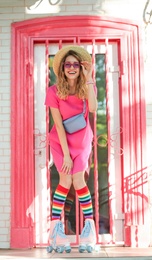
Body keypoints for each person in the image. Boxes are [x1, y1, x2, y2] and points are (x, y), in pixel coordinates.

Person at [45, 45, 98, 253]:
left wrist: (90, 77)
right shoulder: (53, 91)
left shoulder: (86, 88)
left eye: (76, 64)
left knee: (79, 180)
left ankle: (90, 230)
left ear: (81, 67)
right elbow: (58, 125)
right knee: (65, 181)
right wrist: (66, 155)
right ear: (62, 69)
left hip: (82, 140)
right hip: (60, 142)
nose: (72, 67)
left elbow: (93, 109)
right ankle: (56, 231)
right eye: (68, 64)